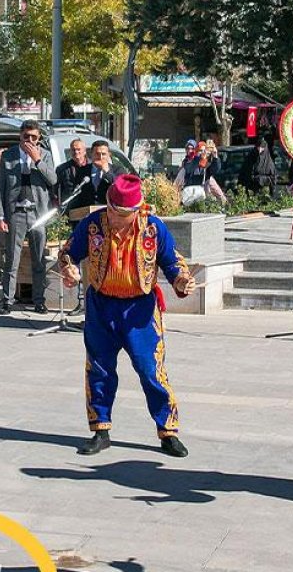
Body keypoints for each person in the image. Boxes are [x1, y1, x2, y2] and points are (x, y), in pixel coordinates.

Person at [59, 175, 196, 457]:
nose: (114, 218)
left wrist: (181, 281)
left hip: (140, 309)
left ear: (137, 210)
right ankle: (100, 429)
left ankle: (167, 431)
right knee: (99, 368)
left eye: (121, 214)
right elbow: (68, 254)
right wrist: (69, 270)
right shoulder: (94, 224)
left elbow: (171, 262)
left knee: (150, 370)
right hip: (101, 306)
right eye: (111, 210)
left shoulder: (153, 228)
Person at [0, 120, 57, 315]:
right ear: (20, 137)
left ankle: (39, 300)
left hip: (37, 213)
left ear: (39, 138)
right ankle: (7, 300)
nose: (30, 140)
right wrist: (0, 215)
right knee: (12, 259)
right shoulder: (9, 156)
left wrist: (37, 160)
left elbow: (53, 180)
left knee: (38, 260)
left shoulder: (45, 155)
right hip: (16, 213)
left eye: (34, 137)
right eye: (26, 137)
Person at [55, 138, 92, 210]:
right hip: (69, 208)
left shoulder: (93, 166)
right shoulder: (62, 169)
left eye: (78, 149)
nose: (76, 152)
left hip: (88, 207)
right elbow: (57, 191)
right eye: (73, 149)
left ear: (84, 151)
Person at [87, 140, 121, 205]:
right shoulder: (82, 171)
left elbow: (120, 187)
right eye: (97, 154)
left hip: (109, 210)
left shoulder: (118, 170)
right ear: (91, 154)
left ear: (109, 155)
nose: (100, 157)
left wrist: (107, 172)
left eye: (104, 154)